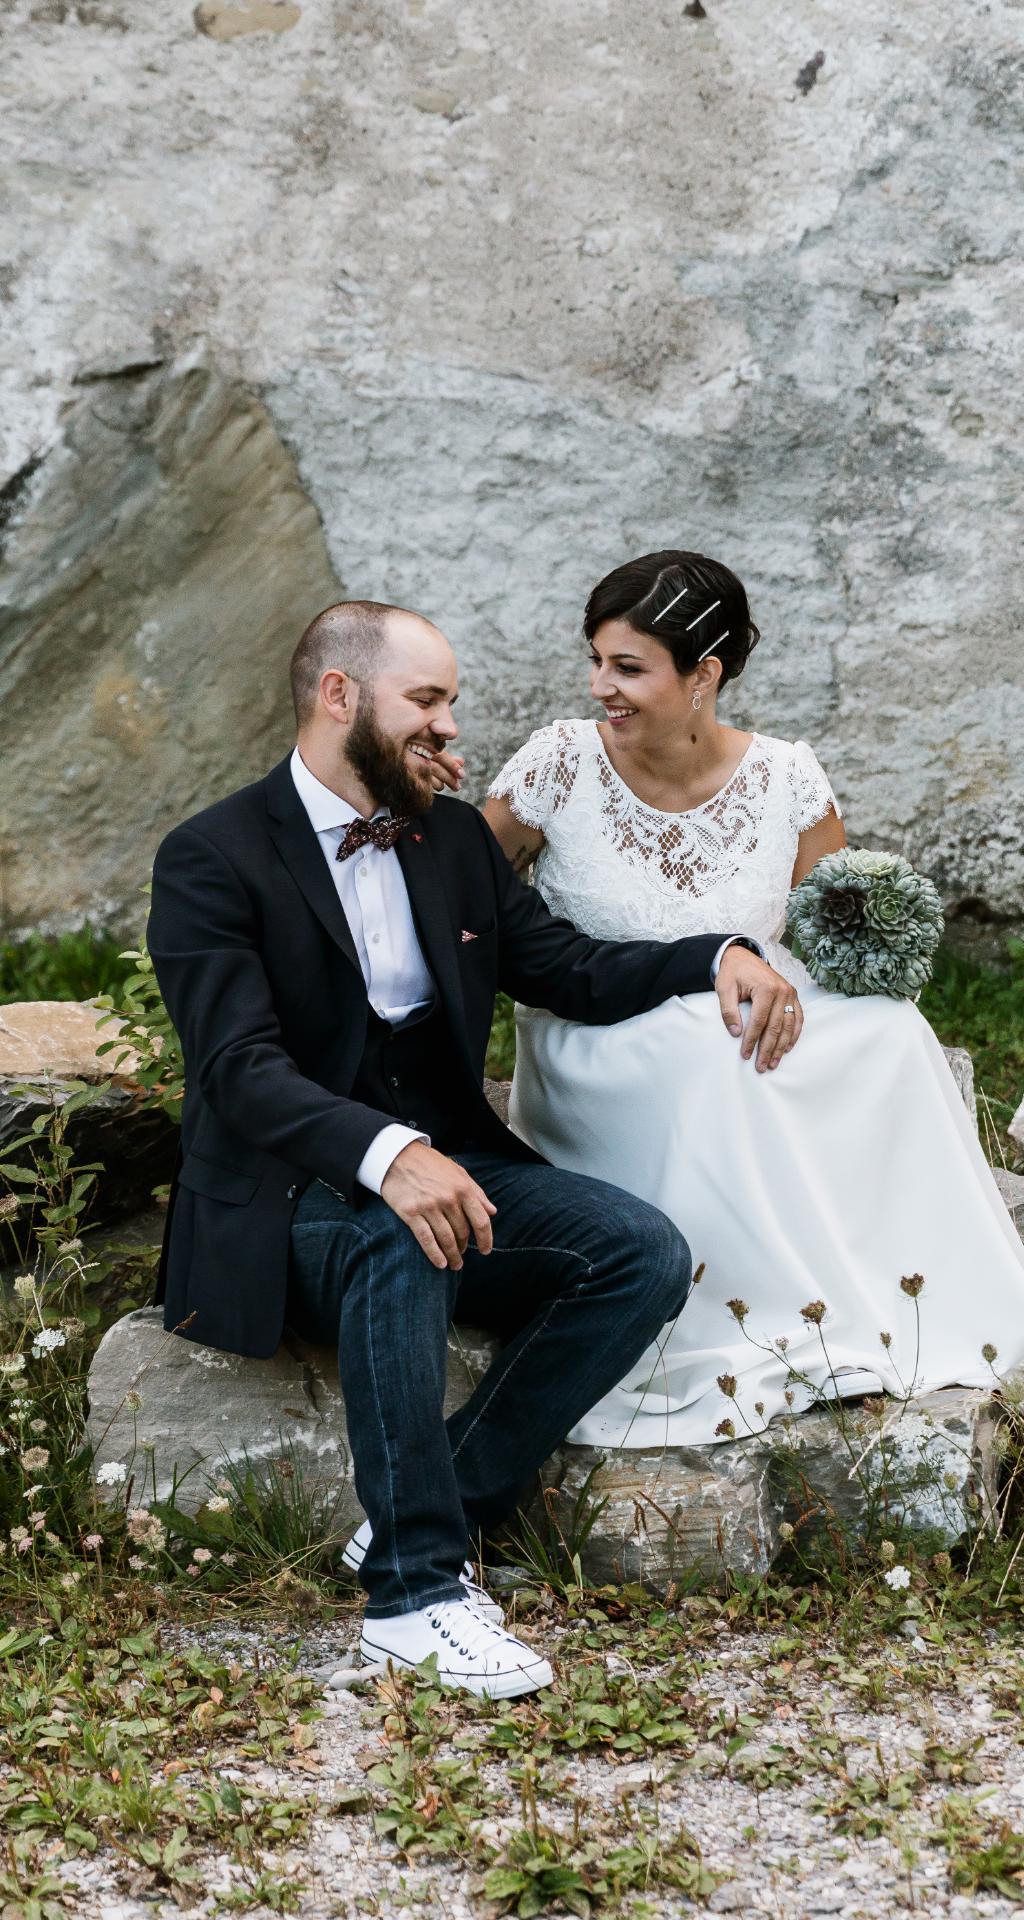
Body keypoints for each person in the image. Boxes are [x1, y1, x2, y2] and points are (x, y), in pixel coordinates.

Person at [146, 599, 798, 1696]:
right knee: (402, 1235)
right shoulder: (211, 855)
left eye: (450, 702)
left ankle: (436, 1499)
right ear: (339, 696)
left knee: (637, 1252)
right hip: (287, 1195)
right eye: (427, 701)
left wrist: (715, 952)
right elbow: (237, 1069)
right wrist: (387, 1153)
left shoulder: (447, 838)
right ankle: (414, 1598)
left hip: (452, 1161)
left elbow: (568, 969)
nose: (451, 727)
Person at [482, 551, 1024, 1477]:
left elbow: (828, 935)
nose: (600, 686)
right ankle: (739, 1314)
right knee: (710, 1045)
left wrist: (854, 967)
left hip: (746, 1012)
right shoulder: (560, 762)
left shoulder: (785, 777)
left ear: (703, 675)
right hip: (602, 1031)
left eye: (628, 667)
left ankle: (891, 1297)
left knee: (893, 1033)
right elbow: (464, 897)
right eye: (597, 661)